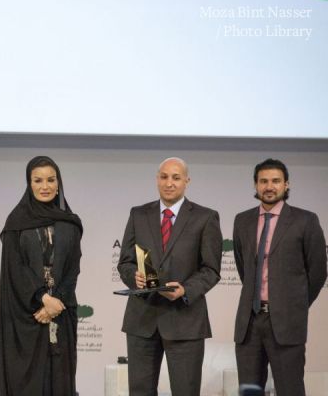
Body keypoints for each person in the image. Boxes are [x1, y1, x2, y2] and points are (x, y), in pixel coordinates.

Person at [117, 157, 222, 396]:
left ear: (187, 181)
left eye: (176, 177)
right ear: (157, 179)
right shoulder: (138, 214)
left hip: (185, 320)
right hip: (142, 321)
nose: (169, 183)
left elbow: (211, 269)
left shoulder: (206, 217)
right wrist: (135, 277)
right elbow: (125, 262)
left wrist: (186, 289)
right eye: (164, 177)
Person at [233, 158, 327, 395]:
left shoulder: (306, 220)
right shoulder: (242, 220)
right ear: (255, 185)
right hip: (249, 323)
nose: (269, 186)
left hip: (287, 324)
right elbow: (244, 267)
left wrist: (294, 305)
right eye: (263, 181)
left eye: (276, 181)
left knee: (290, 389)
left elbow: (317, 272)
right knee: (249, 390)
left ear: (286, 185)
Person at [0, 156, 83, 396]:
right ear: (29, 184)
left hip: (62, 312)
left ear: (58, 183)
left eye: (51, 180)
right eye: (38, 180)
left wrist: (57, 302)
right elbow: (15, 267)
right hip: (26, 314)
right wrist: (43, 299)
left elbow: (73, 269)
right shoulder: (16, 223)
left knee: (61, 379)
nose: (45, 186)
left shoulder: (71, 222)